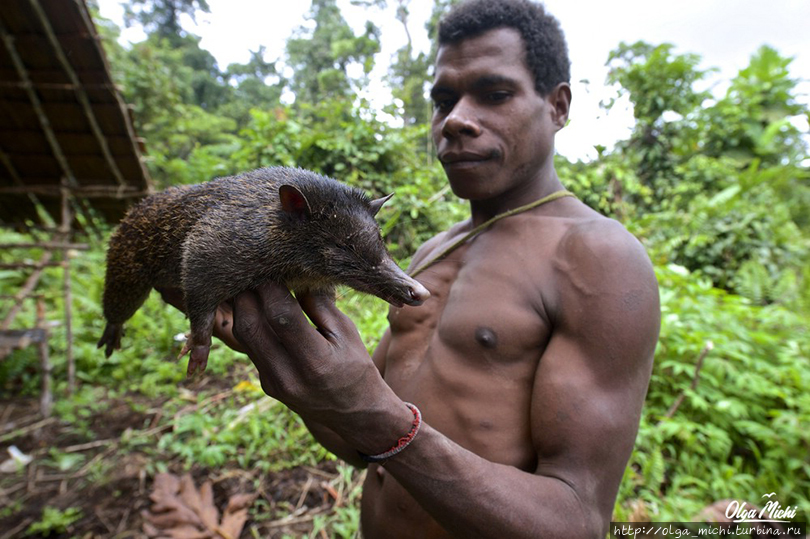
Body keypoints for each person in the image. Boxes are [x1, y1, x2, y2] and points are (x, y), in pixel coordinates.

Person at [192, 0, 660, 536]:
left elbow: (577, 519)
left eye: (495, 94)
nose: (456, 119)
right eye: (443, 100)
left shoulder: (598, 257)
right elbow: (359, 444)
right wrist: (295, 370)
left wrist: (376, 414)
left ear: (557, 106)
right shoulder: (429, 255)